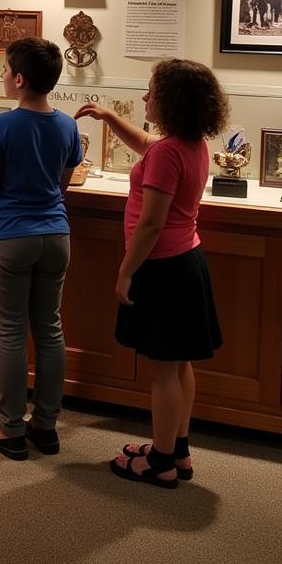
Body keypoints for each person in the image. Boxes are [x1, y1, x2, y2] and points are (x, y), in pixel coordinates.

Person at [76, 59, 227, 489]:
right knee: (180, 365)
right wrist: (109, 117)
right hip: (187, 263)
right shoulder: (190, 144)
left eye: (151, 92)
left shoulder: (166, 153)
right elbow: (147, 144)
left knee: (162, 371)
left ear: (172, 102)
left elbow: (151, 223)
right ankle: (177, 450)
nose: (145, 98)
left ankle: (160, 462)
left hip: (161, 268)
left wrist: (125, 271)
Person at [0, 38, 83, 460]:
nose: (1, 76)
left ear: (19, 79)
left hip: (11, 236)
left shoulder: (1, 126)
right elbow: (64, 181)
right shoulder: (68, 126)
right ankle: (45, 426)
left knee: (10, 333)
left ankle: (10, 429)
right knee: (50, 329)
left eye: (4, 70)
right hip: (56, 235)